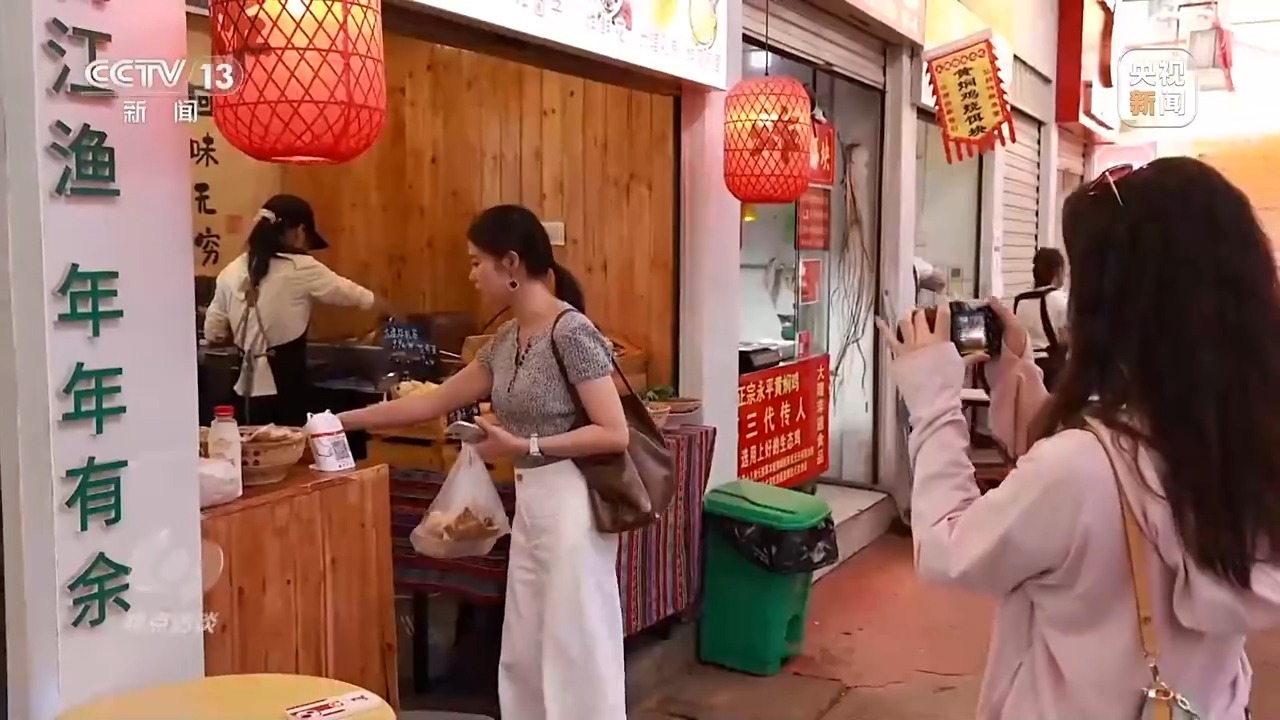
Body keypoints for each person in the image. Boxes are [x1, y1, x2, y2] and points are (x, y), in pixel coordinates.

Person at [879, 158, 1280, 719]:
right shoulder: (1245, 443)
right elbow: (1108, 473)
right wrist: (1015, 373)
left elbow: (950, 550)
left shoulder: (1077, 470)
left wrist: (933, 400)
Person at [337, 204, 630, 720]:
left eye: (477, 262)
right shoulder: (506, 340)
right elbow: (432, 401)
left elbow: (614, 432)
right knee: (526, 643)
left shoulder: (572, 331)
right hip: (532, 504)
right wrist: (338, 420)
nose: (471, 274)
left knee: (574, 644)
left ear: (511, 263)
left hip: (574, 504)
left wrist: (525, 446)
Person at [203, 194, 388, 426]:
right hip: (285, 383)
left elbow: (213, 332)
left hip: (243, 386)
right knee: (286, 442)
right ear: (299, 231)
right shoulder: (302, 267)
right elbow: (354, 295)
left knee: (249, 442)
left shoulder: (230, 270)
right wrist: (390, 310)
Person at [1012, 247, 1069, 388]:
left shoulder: (1020, 301)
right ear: (1058, 271)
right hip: (1051, 371)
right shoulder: (1060, 299)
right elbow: (1066, 338)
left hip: (1024, 367)